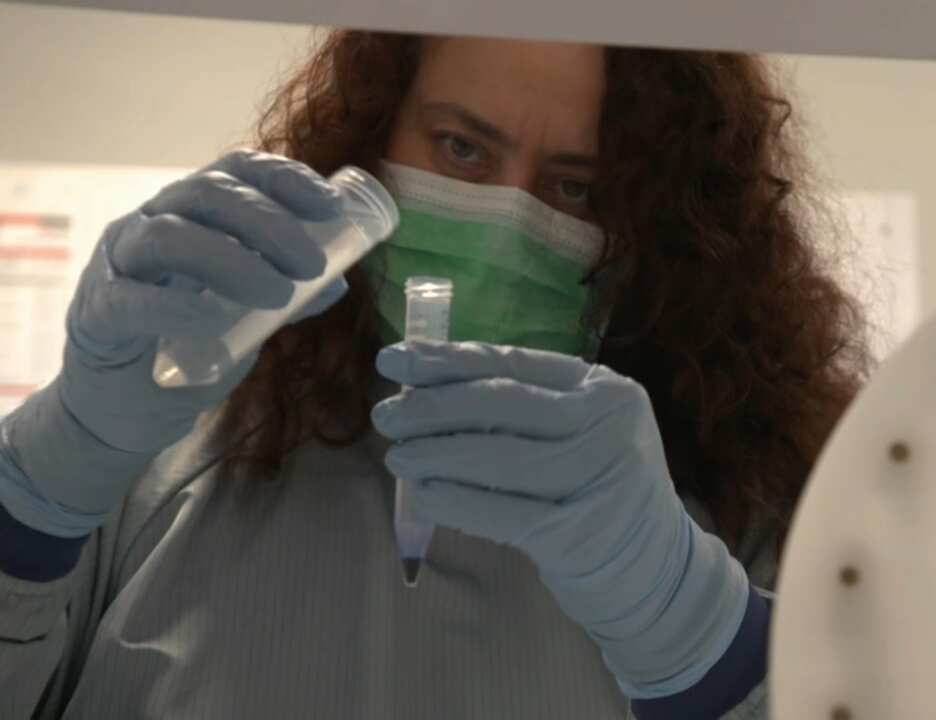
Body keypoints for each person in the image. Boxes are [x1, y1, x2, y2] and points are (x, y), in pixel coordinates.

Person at [0, 32, 872, 719]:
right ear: (374, 135)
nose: (503, 227)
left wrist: (700, 639)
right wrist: (42, 486)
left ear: (667, 227)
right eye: (460, 148)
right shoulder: (165, 446)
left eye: (577, 189)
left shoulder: (747, 513)